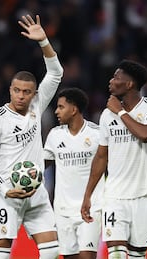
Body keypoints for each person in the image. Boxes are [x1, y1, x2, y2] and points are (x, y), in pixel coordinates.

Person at [0, 14, 64, 258]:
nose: (21, 96)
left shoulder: (38, 105)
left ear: (34, 93)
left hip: (36, 192)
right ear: (10, 90)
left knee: (51, 251)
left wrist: (43, 41)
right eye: (16, 90)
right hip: (7, 195)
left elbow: (56, 73)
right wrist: (7, 189)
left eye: (26, 92)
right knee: (0, 253)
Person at [81, 59, 147, 259]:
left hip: (143, 196)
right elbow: (101, 156)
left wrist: (119, 112)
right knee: (116, 254)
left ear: (129, 84)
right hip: (114, 197)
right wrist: (88, 195)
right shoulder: (106, 115)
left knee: (138, 255)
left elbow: (145, 133)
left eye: (116, 77)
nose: (111, 81)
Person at [43, 87, 105, 259]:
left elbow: (107, 163)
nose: (56, 111)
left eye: (61, 107)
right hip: (63, 209)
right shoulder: (55, 135)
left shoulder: (96, 134)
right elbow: (43, 164)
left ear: (74, 109)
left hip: (91, 207)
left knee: (86, 256)